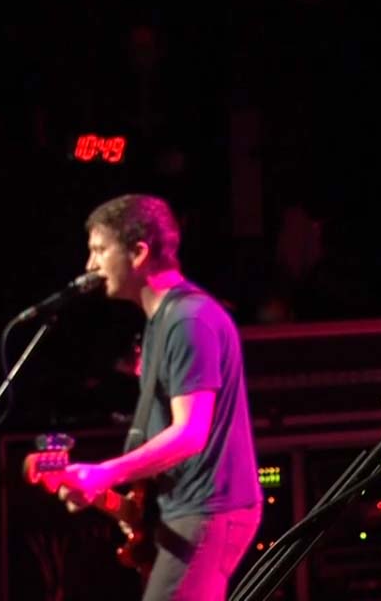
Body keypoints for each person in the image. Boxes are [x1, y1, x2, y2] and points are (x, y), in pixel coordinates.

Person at [57, 194, 263, 600]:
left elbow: (191, 434)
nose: (89, 267)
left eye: (100, 250)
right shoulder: (160, 322)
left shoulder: (189, 320)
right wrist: (109, 490)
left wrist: (108, 473)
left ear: (137, 252)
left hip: (210, 508)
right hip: (186, 508)